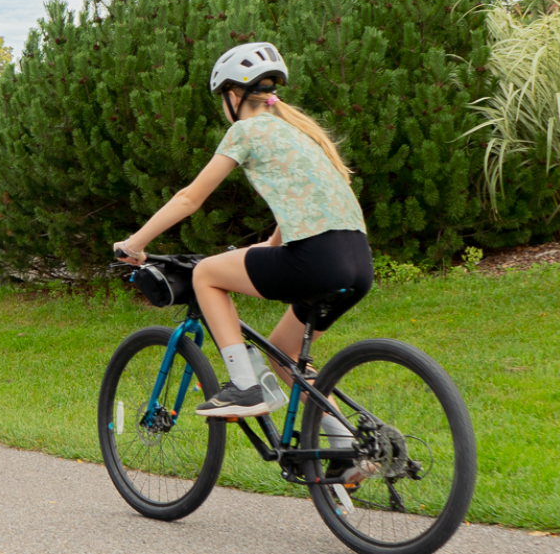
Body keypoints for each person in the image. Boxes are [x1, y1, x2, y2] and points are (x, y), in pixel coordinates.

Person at [112, 43, 375, 483]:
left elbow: (190, 198)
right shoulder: (297, 133)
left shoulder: (246, 131)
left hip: (315, 259)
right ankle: (345, 445)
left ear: (234, 95)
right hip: (356, 263)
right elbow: (296, 208)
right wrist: (265, 248)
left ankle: (244, 387)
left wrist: (134, 243)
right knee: (284, 356)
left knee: (206, 274)